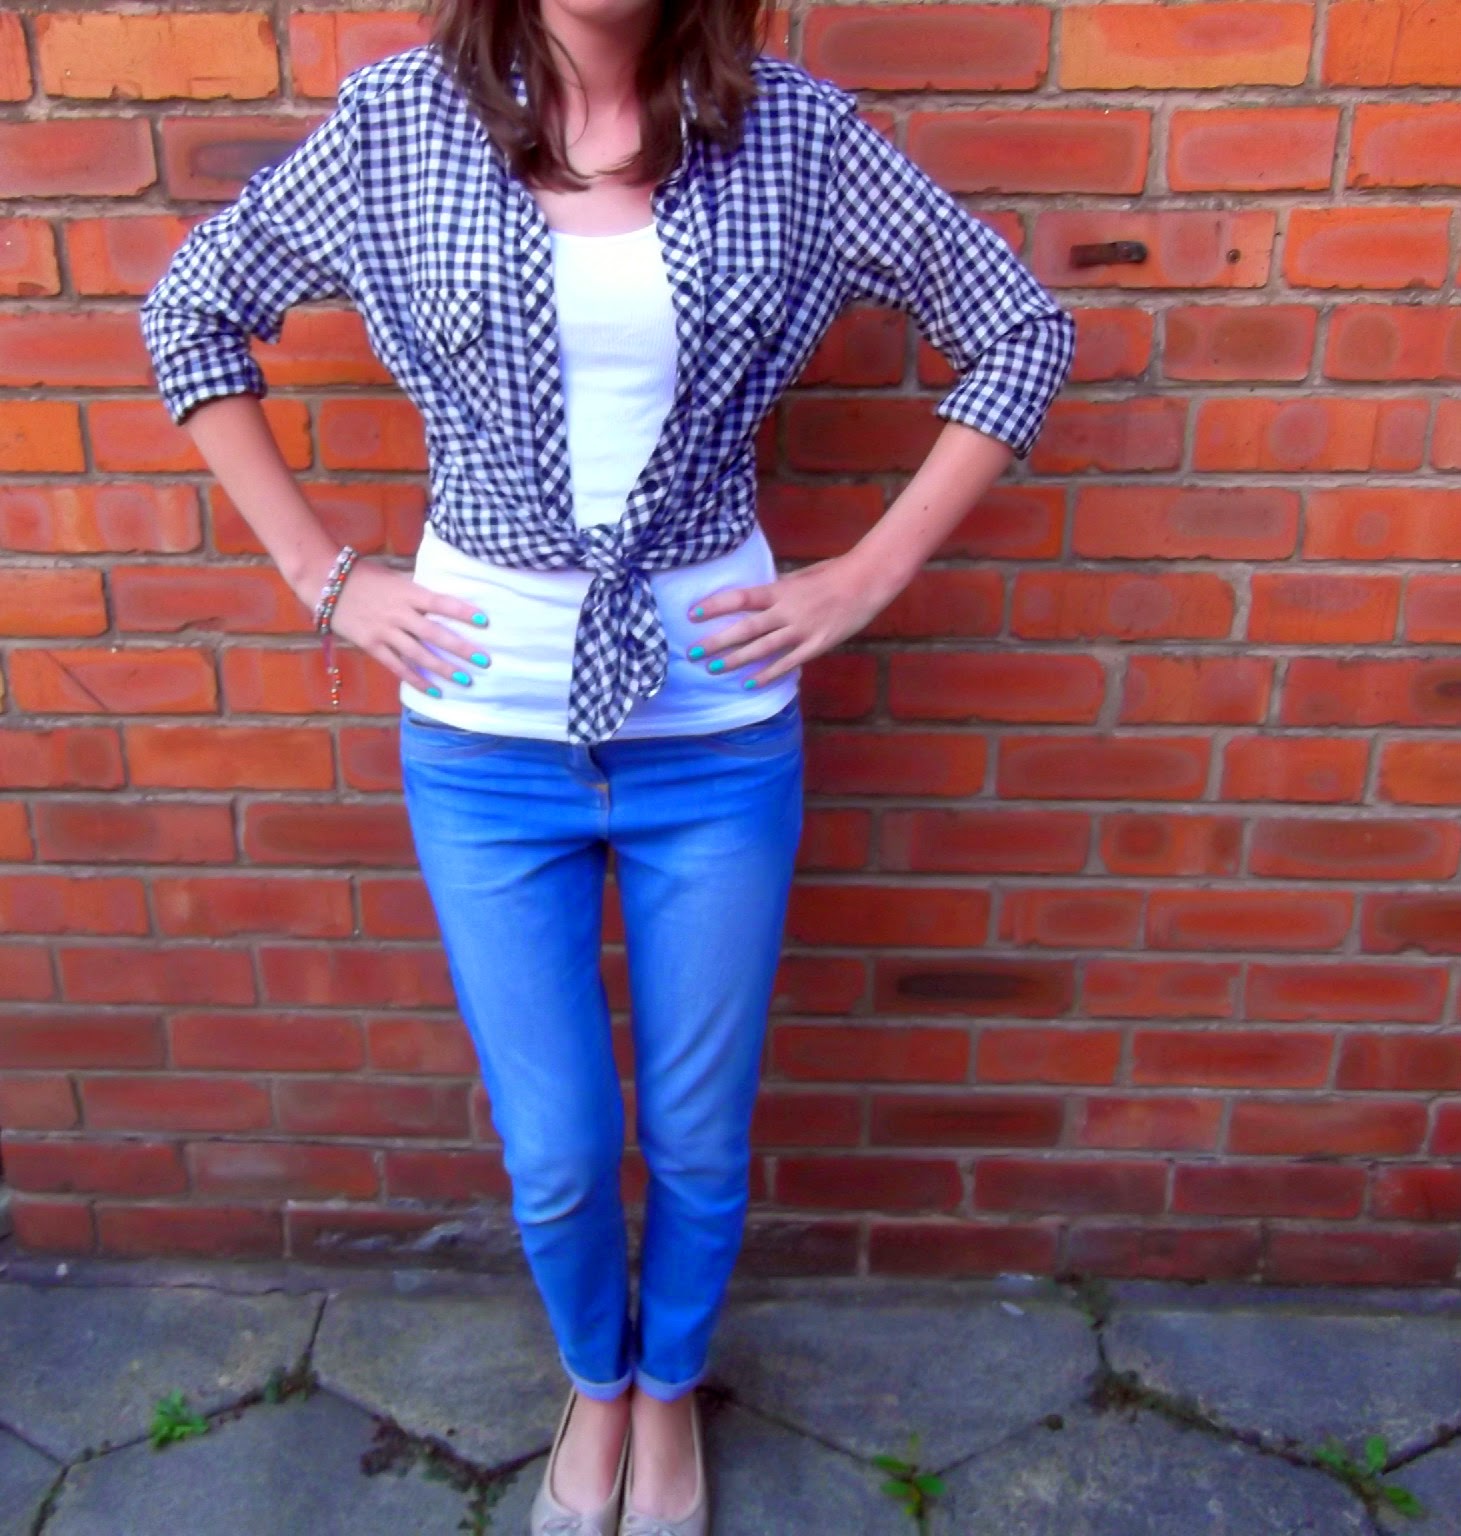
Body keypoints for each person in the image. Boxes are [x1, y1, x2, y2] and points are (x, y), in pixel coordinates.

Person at [139, 1, 1075, 1530]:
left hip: (714, 736)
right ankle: (592, 1373)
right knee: (559, 1152)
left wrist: (864, 574)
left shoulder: (788, 131)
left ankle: (667, 1384)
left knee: (698, 1136)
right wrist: (324, 575)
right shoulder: (401, 125)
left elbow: (1019, 325)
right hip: (482, 738)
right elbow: (190, 309)